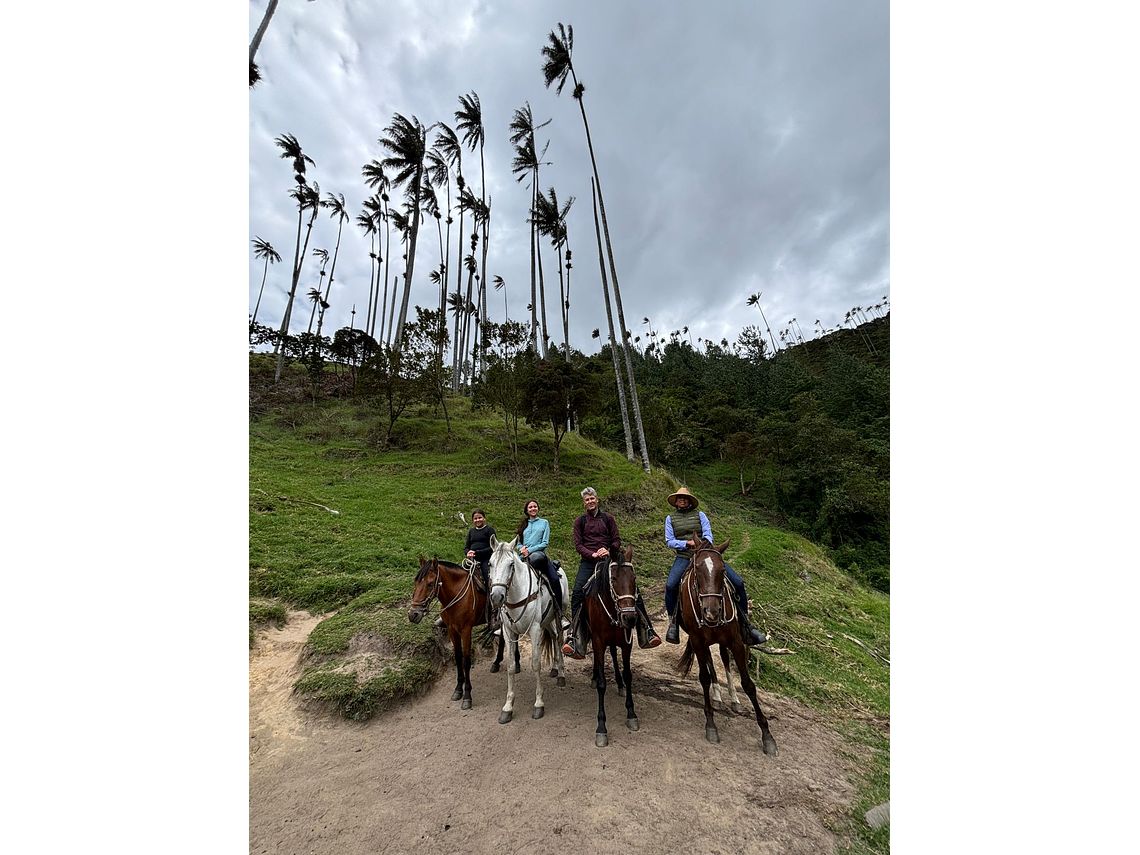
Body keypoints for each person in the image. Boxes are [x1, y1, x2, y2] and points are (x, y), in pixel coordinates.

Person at [563, 487, 661, 660]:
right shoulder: (580, 521)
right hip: (589, 562)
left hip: (611, 559)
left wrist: (608, 550)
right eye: (587, 500)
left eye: (592, 498)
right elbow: (578, 545)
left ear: (597, 499)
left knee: (631, 589)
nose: (590, 502)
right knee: (578, 591)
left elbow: (616, 539)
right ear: (584, 503)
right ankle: (573, 636)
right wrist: (592, 554)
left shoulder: (608, 518)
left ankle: (647, 630)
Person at [663, 487, 767, 647]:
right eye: (679, 498)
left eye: (685, 498)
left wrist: (701, 545)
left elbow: (708, 534)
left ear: (690, 501)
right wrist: (686, 543)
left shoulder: (700, 515)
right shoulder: (670, 518)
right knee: (670, 586)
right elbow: (669, 540)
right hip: (684, 556)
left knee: (738, 582)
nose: (682, 500)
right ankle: (673, 624)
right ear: (676, 501)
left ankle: (746, 625)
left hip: (705, 554)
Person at [515, 499, 563, 612]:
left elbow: (545, 543)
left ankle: (559, 612)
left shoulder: (544, 522)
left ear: (538, 508)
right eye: (530, 507)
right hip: (523, 558)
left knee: (555, 579)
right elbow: (518, 542)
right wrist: (520, 548)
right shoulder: (523, 525)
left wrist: (530, 550)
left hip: (539, 557)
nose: (533, 509)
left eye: (535, 506)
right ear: (526, 510)